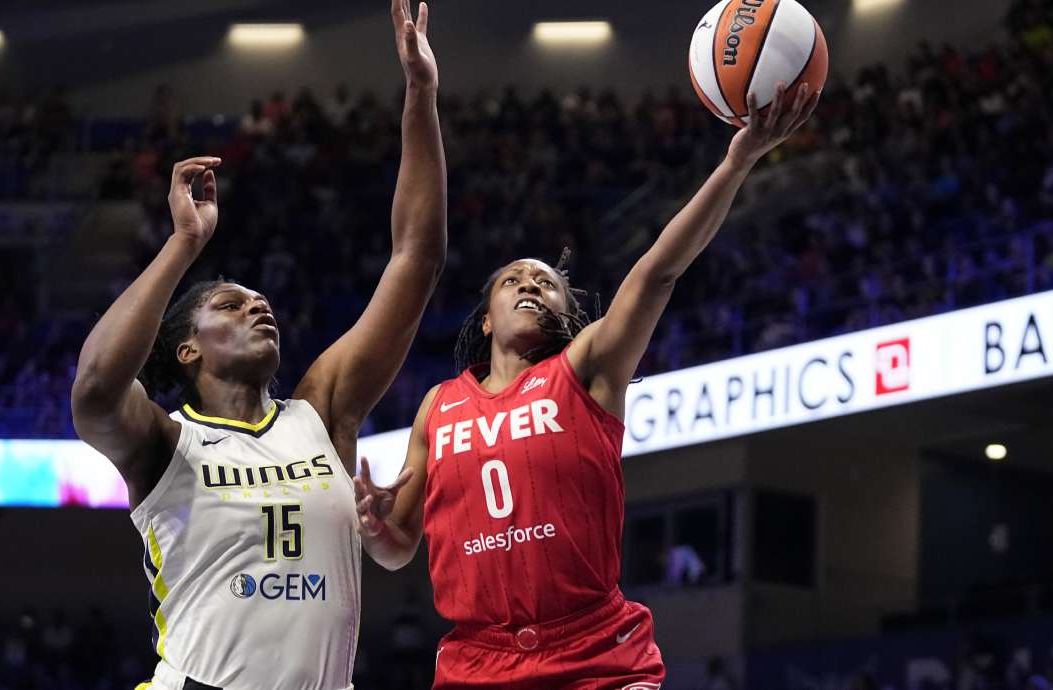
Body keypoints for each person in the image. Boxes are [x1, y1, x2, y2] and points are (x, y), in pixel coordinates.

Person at [354, 83, 819, 688]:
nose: (529, 284)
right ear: (487, 317)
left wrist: (737, 162)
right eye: (514, 280)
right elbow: (398, 551)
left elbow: (658, 273)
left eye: (546, 283)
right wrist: (377, 529)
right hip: (477, 663)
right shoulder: (437, 407)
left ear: (567, 315)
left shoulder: (587, 369)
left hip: (595, 653)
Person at [69, 1, 445, 688]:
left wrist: (421, 96)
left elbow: (416, 257)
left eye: (259, 299)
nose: (257, 304)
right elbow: (94, 389)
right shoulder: (164, 443)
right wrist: (185, 245)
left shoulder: (320, 414)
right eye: (229, 304)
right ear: (187, 349)